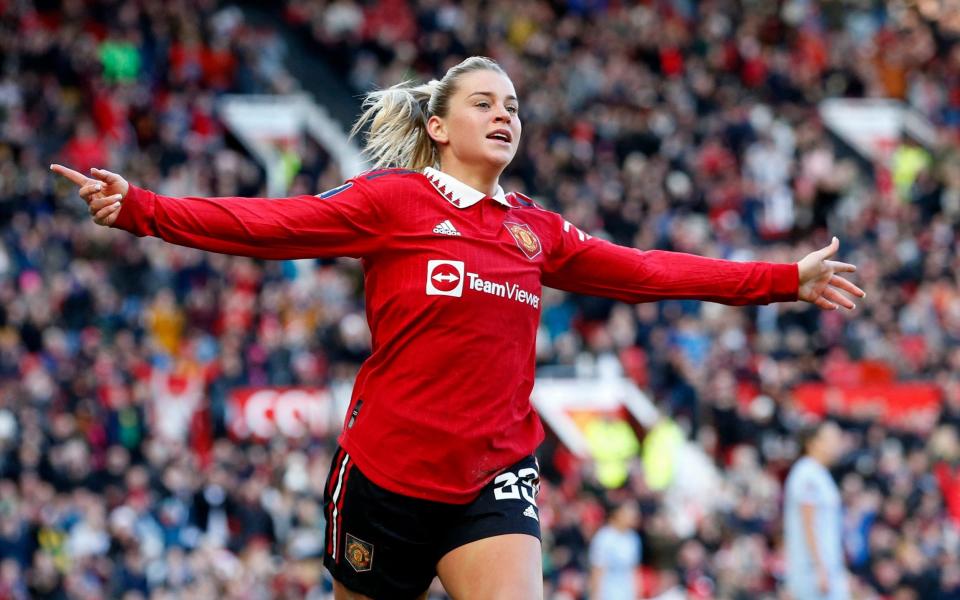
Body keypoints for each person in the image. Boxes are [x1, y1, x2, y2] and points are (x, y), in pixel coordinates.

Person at [51, 56, 865, 600]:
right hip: (385, 477)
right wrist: (145, 210)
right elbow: (272, 225)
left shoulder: (537, 230)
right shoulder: (391, 202)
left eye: (512, 105)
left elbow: (648, 269)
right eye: (484, 102)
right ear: (439, 126)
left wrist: (783, 281)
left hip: (492, 478)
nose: (504, 113)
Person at [784, 420, 850, 599]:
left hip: (827, 566)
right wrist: (819, 567)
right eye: (831, 438)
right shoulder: (807, 473)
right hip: (811, 570)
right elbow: (809, 522)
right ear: (812, 442)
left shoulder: (820, 473)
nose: (837, 443)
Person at [589, 500, 642, 600]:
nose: (633, 516)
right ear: (617, 513)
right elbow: (597, 570)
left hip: (627, 594)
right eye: (629, 512)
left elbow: (634, 570)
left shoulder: (633, 538)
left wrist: (638, 594)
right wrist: (595, 596)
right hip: (607, 594)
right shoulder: (603, 537)